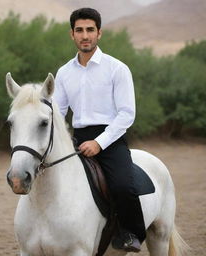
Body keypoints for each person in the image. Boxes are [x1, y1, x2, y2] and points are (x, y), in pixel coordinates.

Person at [53, 7, 145, 252]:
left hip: (110, 139)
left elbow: (126, 114)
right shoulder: (64, 73)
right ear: (72, 34)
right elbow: (58, 114)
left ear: (99, 33)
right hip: (77, 138)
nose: (85, 35)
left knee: (123, 186)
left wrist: (99, 143)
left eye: (90, 30)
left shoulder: (117, 69)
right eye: (80, 30)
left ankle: (130, 233)